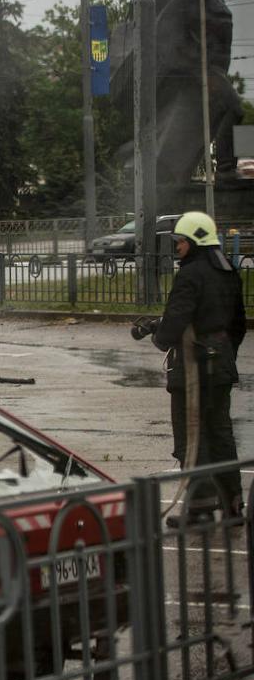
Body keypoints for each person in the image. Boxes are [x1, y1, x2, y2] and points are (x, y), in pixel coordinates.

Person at [149, 212, 246, 526]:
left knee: (191, 437)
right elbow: (238, 325)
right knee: (221, 435)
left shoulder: (191, 275)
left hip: (193, 368)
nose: (177, 247)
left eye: (180, 241)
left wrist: (160, 337)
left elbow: (176, 320)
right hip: (222, 368)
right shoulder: (228, 269)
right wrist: (224, 352)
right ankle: (233, 505)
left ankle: (200, 509)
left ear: (194, 242)